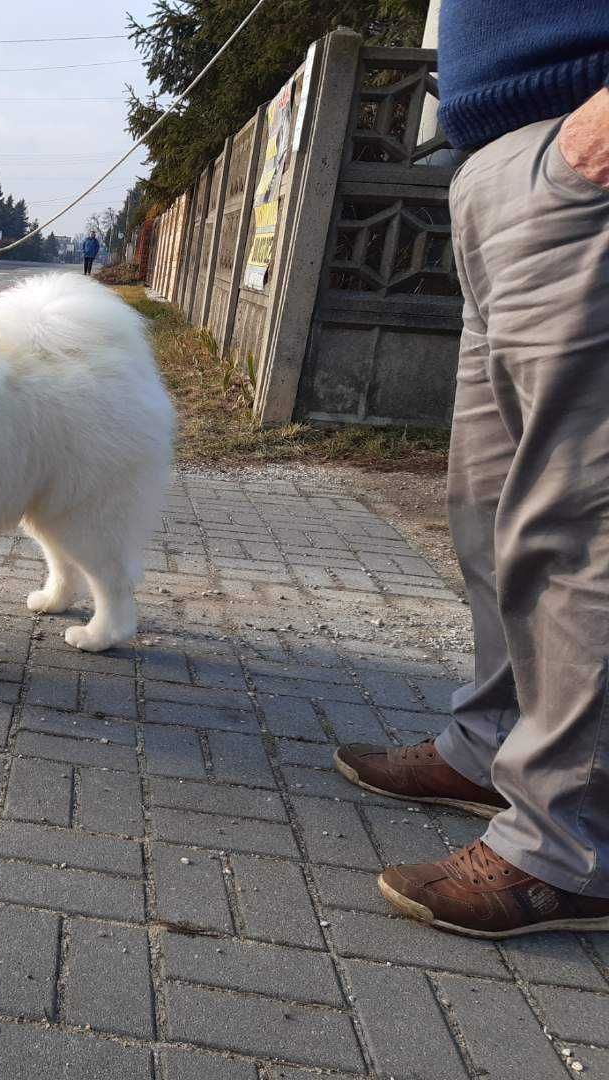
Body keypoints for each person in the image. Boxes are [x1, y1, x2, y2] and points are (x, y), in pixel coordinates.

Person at [333, 7, 609, 937]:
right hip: (501, 171)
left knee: (577, 526)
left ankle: (570, 845)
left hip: (582, 157)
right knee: (489, 511)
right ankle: (489, 747)